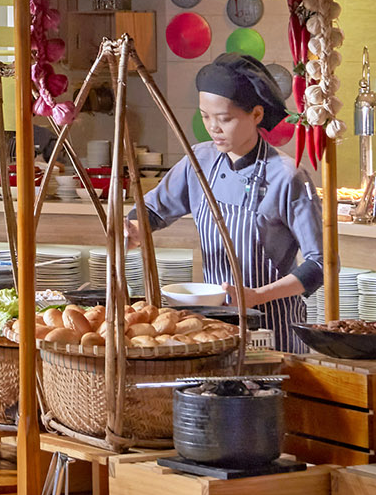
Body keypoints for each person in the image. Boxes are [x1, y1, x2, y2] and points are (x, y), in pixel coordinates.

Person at [122, 53, 326, 350]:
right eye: (205, 116)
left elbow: (319, 265)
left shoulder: (287, 176)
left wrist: (256, 296)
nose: (213, 128)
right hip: (215, 329)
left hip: (274, 330)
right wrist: (134, 229)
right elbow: (152, 210)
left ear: (256, 115)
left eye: (224, 119)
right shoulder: (200, 161)